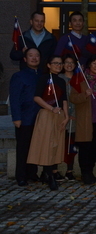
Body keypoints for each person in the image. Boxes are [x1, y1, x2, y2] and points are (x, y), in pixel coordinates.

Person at [28, 55, 69, 190]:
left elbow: (64, 100)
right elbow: (36, 97)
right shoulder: (44, 79)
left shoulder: (61, 81)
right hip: (47, 114)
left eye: (60, 63)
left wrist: (66, 116)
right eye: (55, 63)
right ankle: (49, 175)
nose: (58, 65)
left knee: (56, 145)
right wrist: (51, 108)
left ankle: (49, 173)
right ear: (49, 65)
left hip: (59, 115)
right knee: (48, 145)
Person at [70, 54, 96, 184]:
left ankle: (91, 172)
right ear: (89, 65)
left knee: (94, 147)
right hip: (85, 120)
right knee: (85, 148)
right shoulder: (81, 79)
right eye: (94, 63)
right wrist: (84, 94)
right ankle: (85, 173)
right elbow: (73, 98)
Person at [9, 47, 41, 186]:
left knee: (35, 147)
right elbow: (14, 98)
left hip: (40, 117)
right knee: (23, 148)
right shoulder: (19, 76)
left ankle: (32, 173)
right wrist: (16, 117)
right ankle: (21, 176)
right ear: (25, 59)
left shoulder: (43, 75)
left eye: (37, 55)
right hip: (25, 117)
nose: (34, 58)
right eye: (31, 55)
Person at [58, 54, 78, 181]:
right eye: (66, 62)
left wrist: (74, 114)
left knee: (72, 145)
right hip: (61, 116)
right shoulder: (59, 78)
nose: (69, 65)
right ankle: (55, 170)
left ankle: (70, 171)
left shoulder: (79, 79)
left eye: (71, 62)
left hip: (75, 117)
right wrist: (65, 114)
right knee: (60, 143)